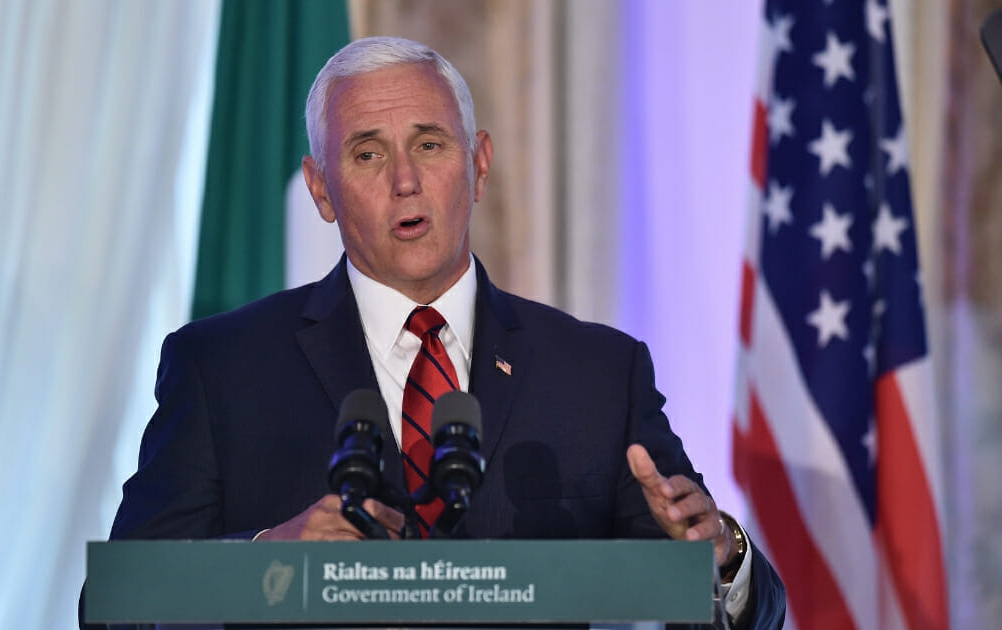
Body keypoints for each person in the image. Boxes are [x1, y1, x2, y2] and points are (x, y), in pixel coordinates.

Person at [86, 37, 786, 629]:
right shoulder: (221, 367)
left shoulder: (598, 372)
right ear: (321, 190)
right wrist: (266, 557)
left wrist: (720, 556)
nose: (406, 181)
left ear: (478, 165)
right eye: (366, 154)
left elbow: (730, 602)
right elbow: (113, 606)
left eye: (429, 144)